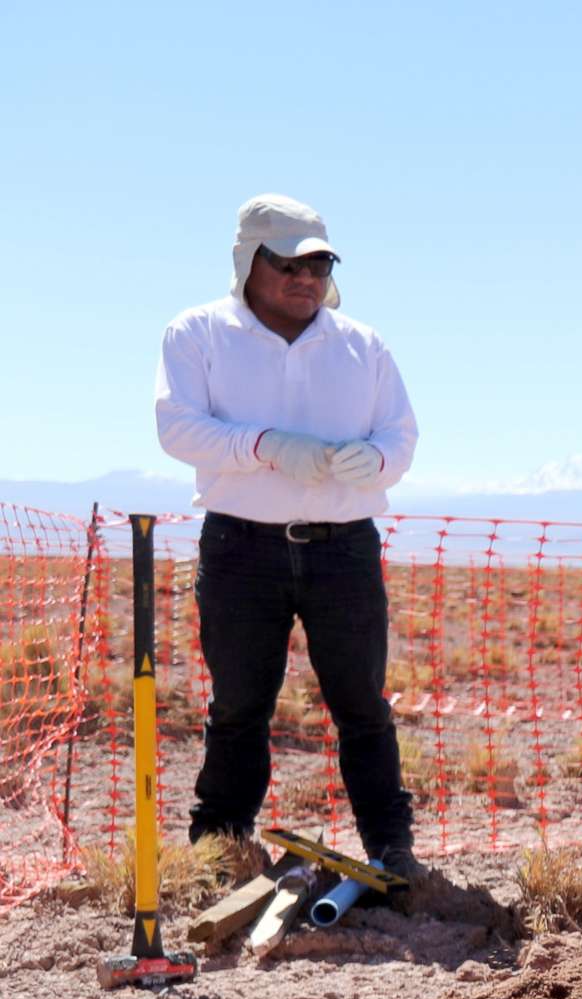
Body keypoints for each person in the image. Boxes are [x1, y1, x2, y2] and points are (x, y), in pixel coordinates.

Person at [153, 194, 421, 881]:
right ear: (249, 262)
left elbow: (401, 435)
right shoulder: (197, 334)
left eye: (319, 264)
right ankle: (220, 847)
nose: (305, 279)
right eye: (288, 265)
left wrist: (379, 461)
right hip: (241, 549)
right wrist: (266, 446)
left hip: (344, 548)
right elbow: (177, 428)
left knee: (361, 703)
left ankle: (391, 850)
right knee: (240, 703)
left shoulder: (363, 345)